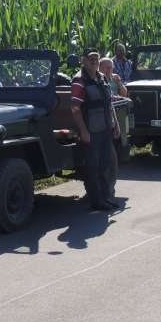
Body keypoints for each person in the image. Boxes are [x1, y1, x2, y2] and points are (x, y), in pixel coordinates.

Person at [71, 51, 121, 210]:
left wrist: (116, 123)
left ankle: (107, 197)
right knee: (93, 167)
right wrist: (83, 131)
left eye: (96, 58)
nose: (94, 61)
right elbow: (75, 108)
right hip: (91, 130)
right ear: (83, 61)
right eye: (90, 59)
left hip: (105, 128)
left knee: (105, 164)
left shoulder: (102, 77)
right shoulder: (79, 80)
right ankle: (97, 201)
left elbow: (109, 103)